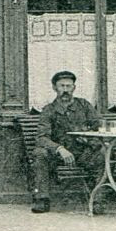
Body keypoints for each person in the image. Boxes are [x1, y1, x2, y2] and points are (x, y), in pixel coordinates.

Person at [30, 70, 103, 214]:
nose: (65, 90)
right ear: (54, 88)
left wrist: (88, 136)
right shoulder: (49, 110)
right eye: (62, 86)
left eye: (69, 86)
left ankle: (98, 201)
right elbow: (41, 137)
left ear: (74, 88)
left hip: (82, 152)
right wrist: (59, 149)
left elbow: (99, 126)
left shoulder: (84, 105)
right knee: (39, 153)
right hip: (58, 156)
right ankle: (42, 199)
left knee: (103, 155)